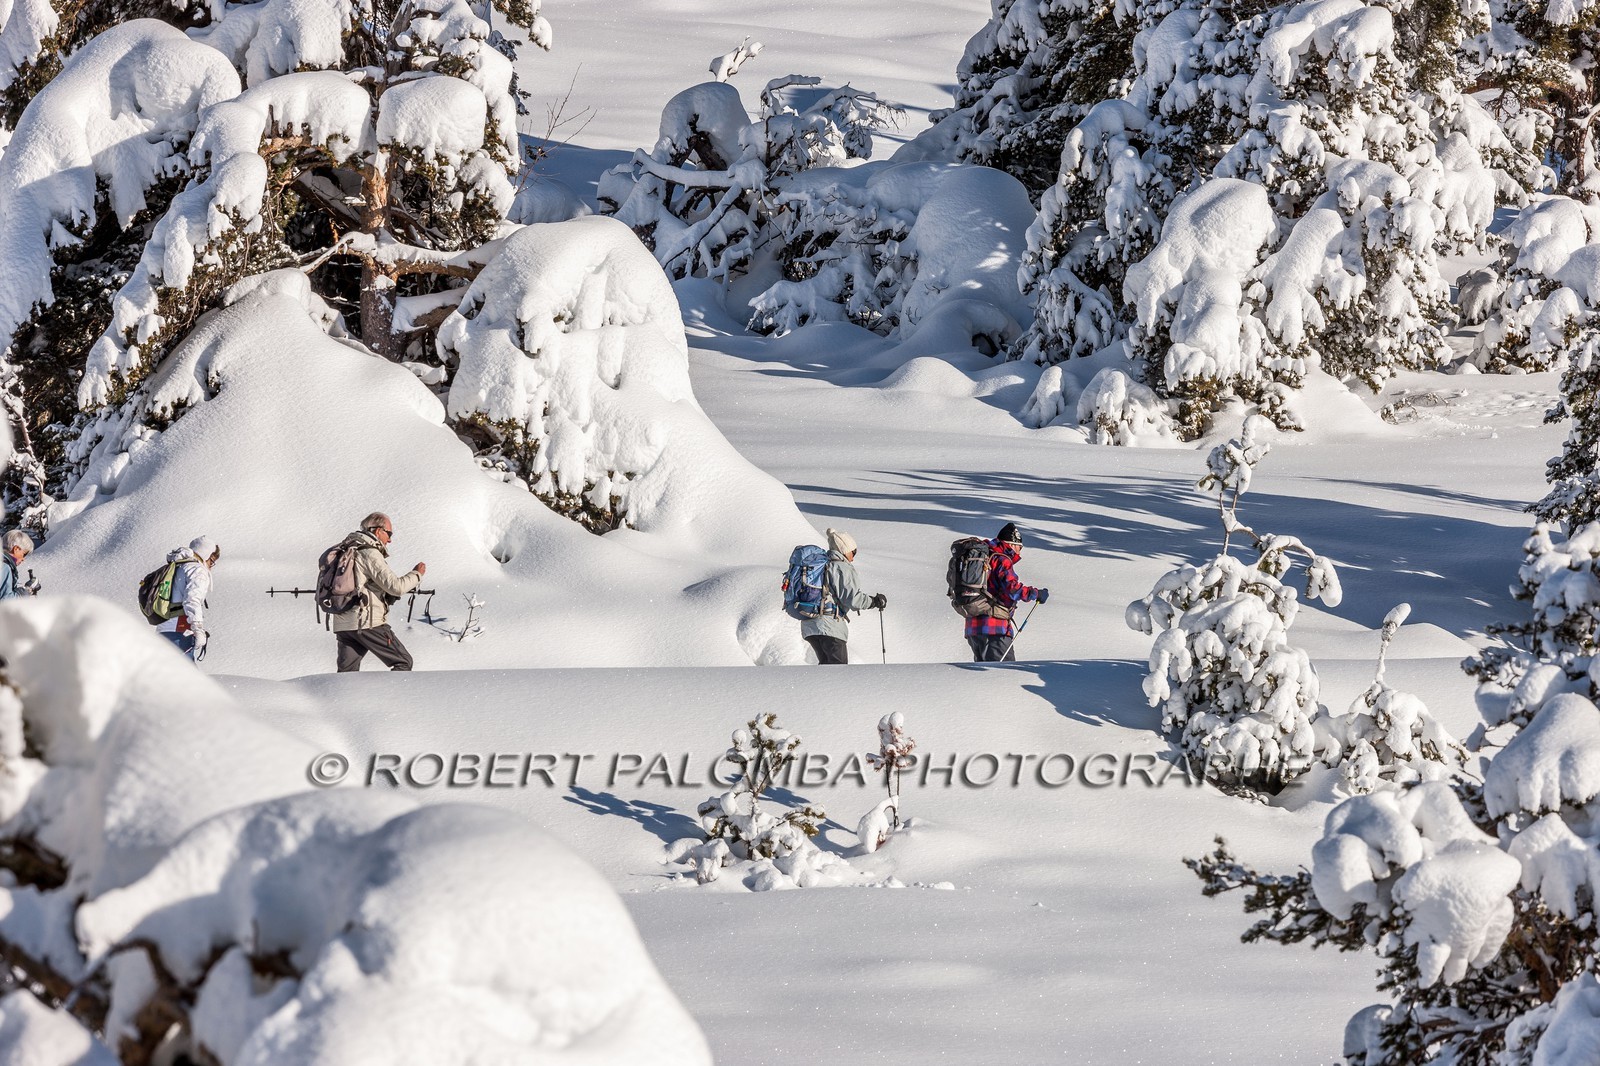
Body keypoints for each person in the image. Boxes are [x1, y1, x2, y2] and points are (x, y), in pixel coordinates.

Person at [331, 512, 426, 672]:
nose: (390, 539)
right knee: (403, 662)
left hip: (343, 624)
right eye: (389, 533)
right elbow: (396, 586)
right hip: (366, 622)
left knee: (347, 675)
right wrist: (417, 574)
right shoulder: (369, 553)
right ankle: (389, 697)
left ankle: (345, 697)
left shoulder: (346, 549)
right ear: (377, 531)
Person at [965, 522, 1048, 663]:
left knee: (982, 677)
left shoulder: (983, 557)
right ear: (1011, 544)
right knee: (1004, 675)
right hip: (995, 628)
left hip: (973, 628)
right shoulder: (1001, 559)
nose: (1020, 552)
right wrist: (1035, 594)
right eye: (1019, 547)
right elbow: (1013, 589)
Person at [801, 527, 886, 665]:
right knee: (838, 673)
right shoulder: (841, 567)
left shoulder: (823, 564)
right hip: (829, 626)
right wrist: (874, 602)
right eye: (854, 552)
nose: (853, 557)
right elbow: (853, 599)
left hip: (810, 625)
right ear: (845, 550)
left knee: (826, 670)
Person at [158, 536, 220, 660]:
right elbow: (192, 600)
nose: (211, 565)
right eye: (212, 561)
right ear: (207, 554)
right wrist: (197, 628)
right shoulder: (197, 570)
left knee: (167, 674)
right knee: (185, 676)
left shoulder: (177, 566)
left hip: (163, 628)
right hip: (181, 631)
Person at [0, 531, 36, 599]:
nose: (23, 559)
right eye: (24, 554)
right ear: (16, 549)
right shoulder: (5, 567)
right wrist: (22, 594)